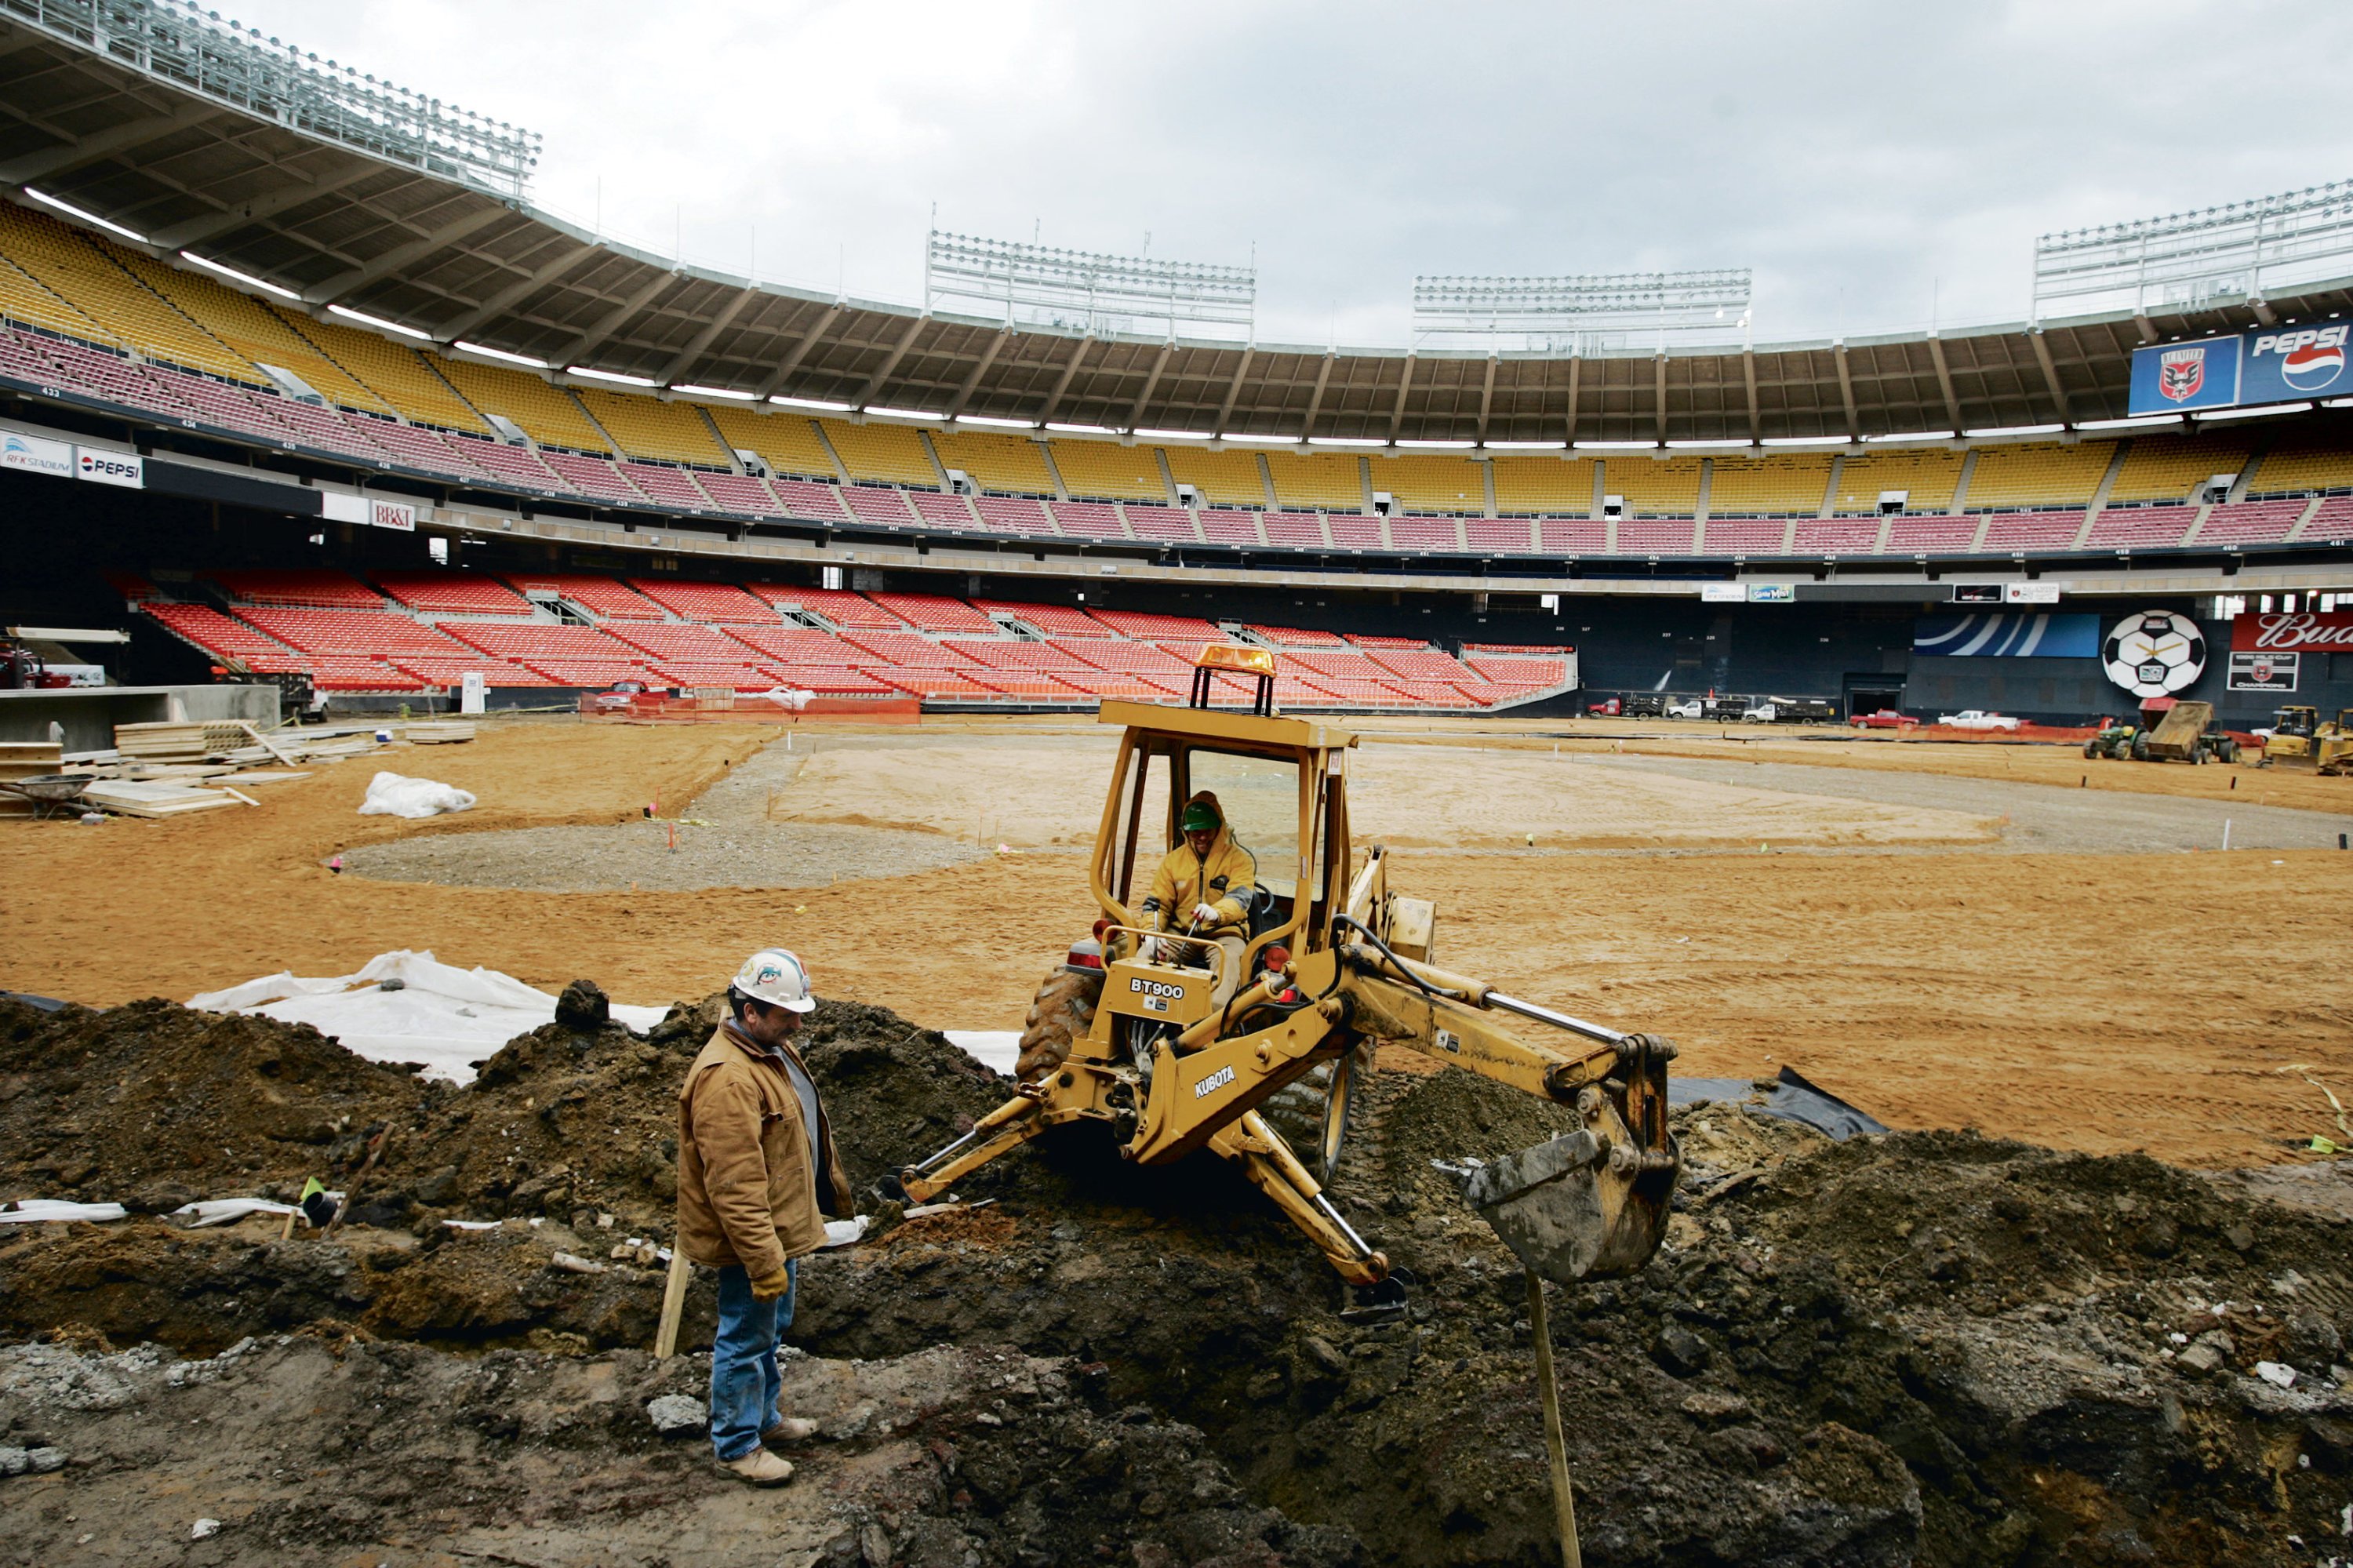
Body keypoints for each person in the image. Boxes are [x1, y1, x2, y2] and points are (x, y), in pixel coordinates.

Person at [675, 947, 853, 1486]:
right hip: (753, 1240)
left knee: (768, 1331)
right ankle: (736, 1444)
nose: (798, 1022)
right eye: (787, 1013)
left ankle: (765, 1419)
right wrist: (762, 1260)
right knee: (745, 1336)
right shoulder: (728, 1080)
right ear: (750, 1011)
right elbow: (735, 1186)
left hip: (778, 1231)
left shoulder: (765, 1050)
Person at [1140, 791, 1257, 1006]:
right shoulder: (1173, 862)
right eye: (1196, 832)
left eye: (1207, 831)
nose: (1202, 837)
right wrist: (1151, 934)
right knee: (1141, 962)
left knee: (1228, 966)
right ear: (1186, 833)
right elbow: (1157, 904)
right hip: (1182, 933)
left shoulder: (1239, 860)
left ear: (1219, 828)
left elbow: (1240, 898)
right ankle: (1137, 1019)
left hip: (1224, 934)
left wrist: (1216, 912)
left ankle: (1211, 1028)